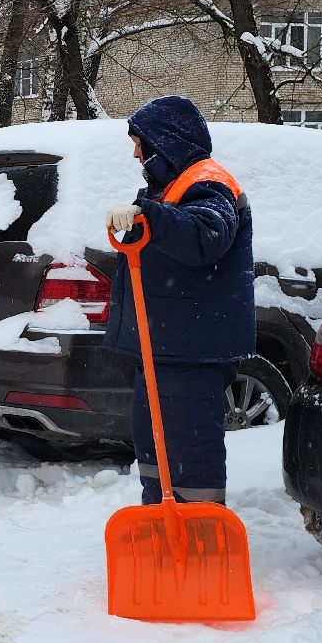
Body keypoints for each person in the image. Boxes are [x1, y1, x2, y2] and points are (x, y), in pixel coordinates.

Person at [101, 95, 253, 508]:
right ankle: (161, 520)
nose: (135, 152)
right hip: (166, 346)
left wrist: (150, 214)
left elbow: (208, 236)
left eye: (139, 142)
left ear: (165, 142)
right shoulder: (169, 186)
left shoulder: (208, 181)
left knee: (190, 453)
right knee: (155, 448)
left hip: (192, 348)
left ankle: (199, 537)